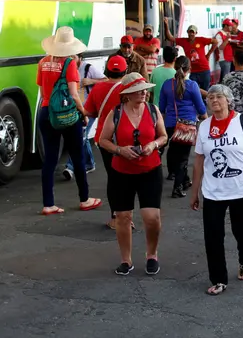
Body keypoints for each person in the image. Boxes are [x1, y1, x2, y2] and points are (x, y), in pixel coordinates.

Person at [190, 85, 243, 296]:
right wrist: (194, 191)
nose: (214, 100)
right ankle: (218, 279)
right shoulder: (204, 126)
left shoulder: (242, 122)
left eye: (219, 97)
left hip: (241, 189)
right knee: (212, 237)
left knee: (242, 231)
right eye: (211, 97)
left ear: (228, 101)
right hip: (213, 191)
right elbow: (199, 161)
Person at [98, 73, 169, 276]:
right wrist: (120, 150)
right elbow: (103, 140)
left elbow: (164, 136)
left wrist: (153, 144)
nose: (145, 93)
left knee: (151, 217)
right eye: (140, 90)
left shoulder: (153, 110)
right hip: (122, 172)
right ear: (128, 94)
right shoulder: (116, 112)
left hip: (150, 169)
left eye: (146, 89)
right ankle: (126, 260)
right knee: (122, 216)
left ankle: (152, 255)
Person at [36, 27, 103, 215]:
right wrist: (83, 112)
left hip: (46, 113)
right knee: (77, 156)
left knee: (49, 159)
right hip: (67, 115)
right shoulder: (69, 64)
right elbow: (74, 95)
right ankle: (85, 199)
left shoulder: (42, 62)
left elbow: (43, 93)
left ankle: (48, 204)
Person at [83, 55, 128, 229]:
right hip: (125, 138)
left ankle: (115, 217)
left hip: (104, 139)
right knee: (126, 178)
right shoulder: (127, 88)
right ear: (125, 71)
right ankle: (126, 217)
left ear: (107, 70)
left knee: (113, 177)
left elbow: (90, 112)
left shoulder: (98, 88)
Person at [159, 56, 207, 196]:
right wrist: (207, 121)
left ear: (175, 67)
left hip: (169, 125)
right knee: (183, 158)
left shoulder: (167, 84)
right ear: (189, 69)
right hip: (186, 126)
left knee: (174, 155)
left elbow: (162, 108)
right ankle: (178, 187)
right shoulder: (192, 86)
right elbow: (201, 108)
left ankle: (185, 180)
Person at [62, 53, 106, 178]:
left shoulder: (88, 68)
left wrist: (91, 81)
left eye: (74, 57)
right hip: (74, 108)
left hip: (88, 109)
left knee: (80, 136)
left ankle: (70, 167)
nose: (71, 59)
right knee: (84, 137)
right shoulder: (67, 69)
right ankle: (90, 163)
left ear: (80, 58)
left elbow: (106, 80)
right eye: (68, 56)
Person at [163, 19, 218, 92]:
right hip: (193, 71)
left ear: (196, 33)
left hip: (204, 70)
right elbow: (170, 38)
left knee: (205, 92)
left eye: (193, 32)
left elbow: (215, 41)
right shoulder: (183, 41)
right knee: (192, 90)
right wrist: (166, 25)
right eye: (190, 32)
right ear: (187, 32)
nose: (191, 34)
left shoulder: (201, 40)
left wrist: (208, 54)